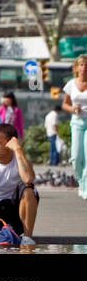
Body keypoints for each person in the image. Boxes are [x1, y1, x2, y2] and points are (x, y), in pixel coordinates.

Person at [61, 53, 87, 200]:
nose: (84, 68)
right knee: (76, 157)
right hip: (77, 122)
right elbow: (65, 104)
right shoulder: (71, 84)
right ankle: (81, 182)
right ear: (76, 67)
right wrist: (72, 109)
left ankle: (85, 188)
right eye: (81, 65)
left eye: (86, 65)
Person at [44, 103, 61, 168]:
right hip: (53, 133)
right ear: (58, 110)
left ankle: (51, 161)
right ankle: (54, 162)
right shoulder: (55, 115)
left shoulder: (48, 115)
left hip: (48, 133)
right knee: (55, 148)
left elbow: (45, 125)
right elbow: (54, 125)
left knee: (52, 148)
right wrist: (57, 132)